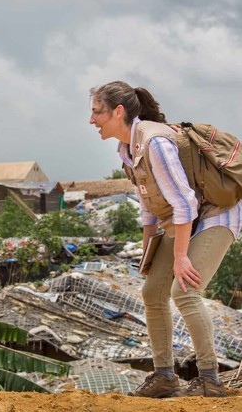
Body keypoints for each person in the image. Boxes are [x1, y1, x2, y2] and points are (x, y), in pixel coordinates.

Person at [89, 81, 242, 398]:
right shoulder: (128, 150)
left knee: (184, 290)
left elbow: (185, 202)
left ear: (118, 112)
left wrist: (181, 257)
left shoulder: (155, 142)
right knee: (153, 290)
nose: (92, 120)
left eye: (96, 112)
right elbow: (149, 208)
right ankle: (164, 376)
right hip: (185, 219)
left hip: (216, 212)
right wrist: (149, 254)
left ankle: (210, 379)